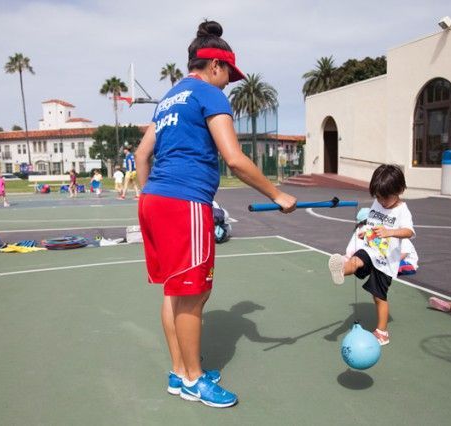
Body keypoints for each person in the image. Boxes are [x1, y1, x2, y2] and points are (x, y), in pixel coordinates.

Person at [135, 20, 296, 409]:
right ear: (214, 67)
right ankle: (194, 380)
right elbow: (235, 160)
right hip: (184, 202)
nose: (228, 84)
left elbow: (142, 155)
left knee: (177, 291)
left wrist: (146, 198)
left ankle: (180, 371)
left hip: (155, 200)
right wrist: (278, 194)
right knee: (191, 295)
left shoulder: (169, 98)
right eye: (228, 76)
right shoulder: (209, 94)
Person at [328, 164, 415, 346]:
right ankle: (341, 270)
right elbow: (372, 222)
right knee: (356, 260)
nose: (381, 202)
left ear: (400, 190)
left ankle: (382, 332)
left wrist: (390, 232)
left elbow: (408, 232)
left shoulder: (402, 210)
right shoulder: (378, 203)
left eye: (385, 198)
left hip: (386, 260)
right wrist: (365, 231)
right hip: (371, 249)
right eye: (378, 197)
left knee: (378, 297)